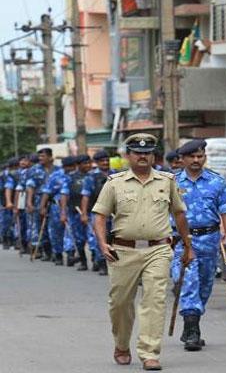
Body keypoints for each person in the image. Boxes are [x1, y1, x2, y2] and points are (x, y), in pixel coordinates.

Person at [92, 133, 192, 371]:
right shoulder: (114, 183)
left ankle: (149, 352)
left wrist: (188, 245)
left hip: (158, 249)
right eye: (138, 153)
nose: (143, 157)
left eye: (147, 153)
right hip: (123, 251)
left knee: (154, 300)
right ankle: (122, 344)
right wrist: (102, 242)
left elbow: (179, 214)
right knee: (120, 303)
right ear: (128, 156)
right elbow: (100, 215)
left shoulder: (167, 181)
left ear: (153, 155)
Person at [171, 139, 226, 352]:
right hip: (182, 241)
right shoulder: (171, 182)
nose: (196, 160)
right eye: (192, 156)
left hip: (209, 240)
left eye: (200, 156)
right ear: (182, 159)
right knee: (188, 282)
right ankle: (192, 331)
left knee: (204, 287)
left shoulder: (216, 182)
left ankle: (193, 322)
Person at [81, 150, 115, 275]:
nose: (105, 163)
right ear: (97, 163)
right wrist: (84, 214)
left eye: (107, 160)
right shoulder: (91, 177)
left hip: (114, 213)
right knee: (98, 238)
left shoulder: (116, 174)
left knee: (113, 239)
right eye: (102, 161)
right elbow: (85, 196)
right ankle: (101, 264)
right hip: (97, 213)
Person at [40, 156, 77, 265]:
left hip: (71, 207)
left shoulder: (75, 175)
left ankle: (70, 254)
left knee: (69, 230)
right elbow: (46, 192)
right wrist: (42, 207)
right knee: (55, 232)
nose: (72, 168)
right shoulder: (55, 176)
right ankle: (58, 255)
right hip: (56, 207)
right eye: (70, 167)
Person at [59, 155, 92, 270]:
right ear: (78, 165)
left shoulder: (94, 176)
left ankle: (98, 262)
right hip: (75, 211)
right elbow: (64, 195)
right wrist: (63, 212)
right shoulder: (70, 178)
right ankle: (83, 262)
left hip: (92, 211)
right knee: (79, 238)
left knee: (93, 237)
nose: (88, 165)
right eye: (85, 163)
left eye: (89, 163)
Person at [26, 148, 58, 261]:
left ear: (50, 157)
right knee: (41, 227)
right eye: (39, 156)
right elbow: (30, 187)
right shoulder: (34, 170)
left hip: (54, 202)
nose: (40, 159)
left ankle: (56, 252)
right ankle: (46, 251)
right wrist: (29, 203)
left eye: (43, 156)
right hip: (38, 201)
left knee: (54, 227)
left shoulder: (57, 170)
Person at [3, 157, 20, 249]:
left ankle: (16, 240)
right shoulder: (3, 175)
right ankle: (6, 239)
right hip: (5, 201)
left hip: (17, 200)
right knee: (6, 221)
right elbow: (4, 189)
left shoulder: (18, 174)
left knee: (16, 221)